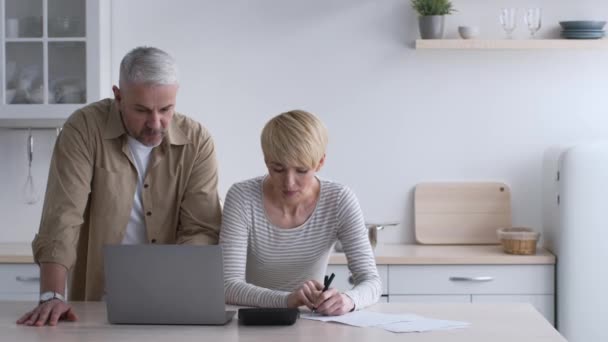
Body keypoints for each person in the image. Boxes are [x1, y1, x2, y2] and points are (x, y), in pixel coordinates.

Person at [17, 47, 222, 326]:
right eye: (141, 110)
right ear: (118, 96)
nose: (155, 123)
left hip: (171, 302)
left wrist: (176, 292)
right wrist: (51, 295)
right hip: (94, 302)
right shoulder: (84, 129)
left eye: (166, 109)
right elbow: (63, 217)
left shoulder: (197, 142)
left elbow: (201, 229)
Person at [220, 110, 381, 316]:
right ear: (266, 160)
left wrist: (349, 299)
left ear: (320, 162)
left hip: (311, 322)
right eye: (278, 169)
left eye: (302, 170)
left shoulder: (339, 200)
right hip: (252, 321)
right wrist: (288, 300)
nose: (289, 183)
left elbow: (371, 282)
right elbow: (228, 286)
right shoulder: (242, 197)